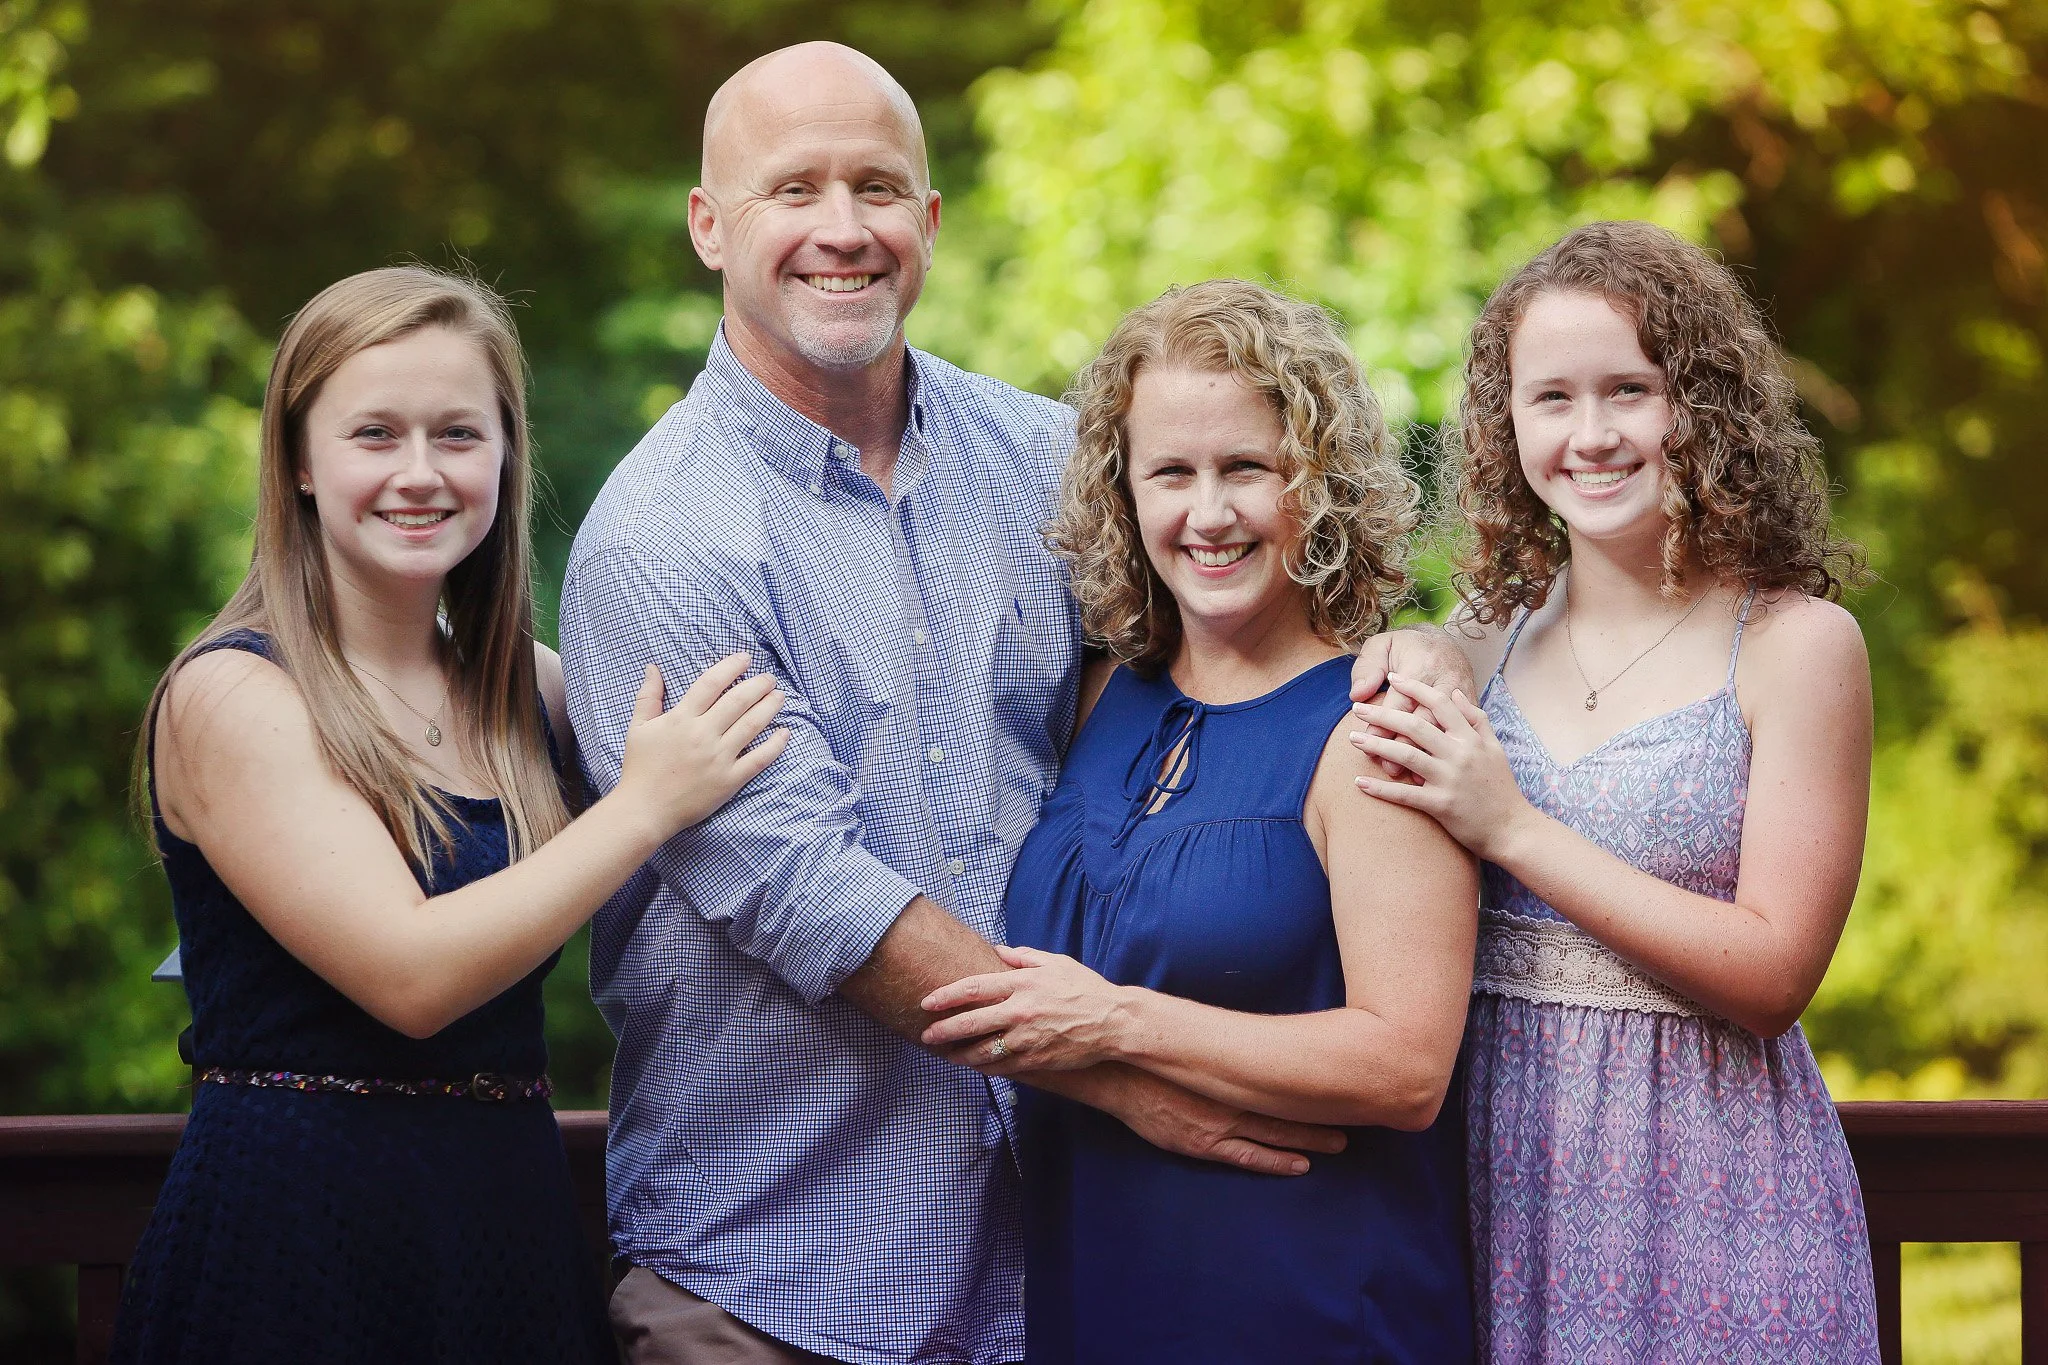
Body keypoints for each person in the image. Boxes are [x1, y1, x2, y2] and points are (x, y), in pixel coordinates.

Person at [559, 42, 1474, 1365]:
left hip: (1046, 1271)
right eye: (792, 189)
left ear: (929, 221)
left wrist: (1427, 652)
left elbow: (1244, 640)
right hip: (781, 1281)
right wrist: (1123, 1078)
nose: (842, 228)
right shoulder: (667, 543)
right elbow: (817, 896)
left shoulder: (1045, 464)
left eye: (877, 187)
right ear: (710, 224)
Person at [111, 265, 787, 1365]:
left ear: (506, 456)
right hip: (294, 1243)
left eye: (458, 436)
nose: (419, 473)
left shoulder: (536, 689)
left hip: (504, 1228)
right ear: (298, 462)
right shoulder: (234, 695)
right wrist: (643, 805)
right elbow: (411, 979)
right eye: (374, 434)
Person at [916, 280, 1480, 1364]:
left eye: (1246, 470)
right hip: (1100, 1291)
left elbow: (1406, 1067)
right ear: (1120, 495)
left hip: (1308, 1307)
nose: (1206, 515)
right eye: (1169, 473)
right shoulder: (1097, 701)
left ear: (1315, 485)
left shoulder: (1372, 727)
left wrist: (1118, 1023)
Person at [1348, 221, 1882, 1362]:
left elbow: (1774, 973)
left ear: (1697, 405)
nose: (1588, 436)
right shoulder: (1477, 650)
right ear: (1506, 426)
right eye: (1549, 399)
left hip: (1716, 1183)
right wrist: (1412, 650)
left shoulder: (1795, 646)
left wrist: (1513, 829)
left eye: (1627, 391)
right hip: (1493, 1175)